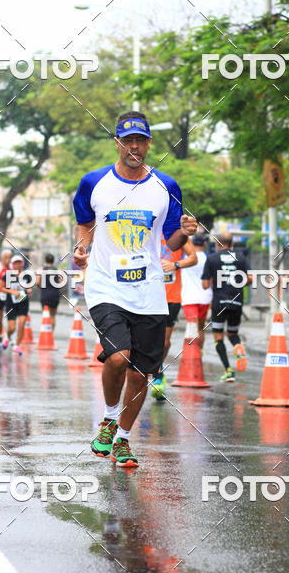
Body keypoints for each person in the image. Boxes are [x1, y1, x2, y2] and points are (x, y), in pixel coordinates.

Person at [73, 110, 198, 468]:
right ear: (117, 142)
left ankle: (124, 439)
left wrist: (185, 232)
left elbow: (171, 239)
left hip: (148, 289)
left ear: (148, 144)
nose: (134, 146)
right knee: (117, 356)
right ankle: (110, 417)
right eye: (127, 140)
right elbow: (85, 223)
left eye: (140, 140)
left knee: (141, 371)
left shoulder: (166, 186)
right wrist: (82, 249)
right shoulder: (93, 182)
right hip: (105, 285)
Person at [150, 234, 197, 400]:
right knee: (142, 339)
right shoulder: (145, 227)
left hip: (171, 297)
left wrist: (175, 264)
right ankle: (144, 373)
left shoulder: (175, 232)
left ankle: (157, 372)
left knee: (163, 341)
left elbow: (193, 258)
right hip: (145, 294)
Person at [201, 232, 251, 382]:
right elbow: (250, 279)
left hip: (219, 303)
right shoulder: (241, 257)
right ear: (232, 244)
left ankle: (228, 370)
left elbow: (205, 285)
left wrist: (212, 280)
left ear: (217, 244)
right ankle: (238, 347)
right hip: (237, 301)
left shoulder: (212, 259)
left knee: (218, 336)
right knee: (232, 333)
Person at [181, 233, 213, 348]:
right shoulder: (209, 259)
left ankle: (191, 357)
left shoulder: (185, 259)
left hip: (189, 298)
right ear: (205, 243)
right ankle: (199, 353)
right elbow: (211, 280)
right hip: (205, 298)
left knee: (191, 326)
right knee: (200, 328)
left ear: (192, 243)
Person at [0, 254, 32, 355]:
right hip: (11, 303)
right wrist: (12, 292)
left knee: (21, 324)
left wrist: (29, 289)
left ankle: (17, 346)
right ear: (12, 265)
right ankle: (7, 338)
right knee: (12, 328)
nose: (17, 265)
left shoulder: (27, 275)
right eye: (15, 263)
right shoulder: (8, 275)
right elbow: (1, 288)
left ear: (22, 264)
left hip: (23, 302)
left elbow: (30, 288)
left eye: (19, 263)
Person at [37, 252, 62, 329]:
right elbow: (61, 282)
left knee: (45, 314)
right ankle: (51, 333)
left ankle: (45, 333)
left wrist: (41, 287)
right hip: (55, 294)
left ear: (45, 260)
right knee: (52, 316)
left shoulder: (41, 269)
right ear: (53, 261)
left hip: (45, 294)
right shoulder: (58, 270)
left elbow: (37, 282)